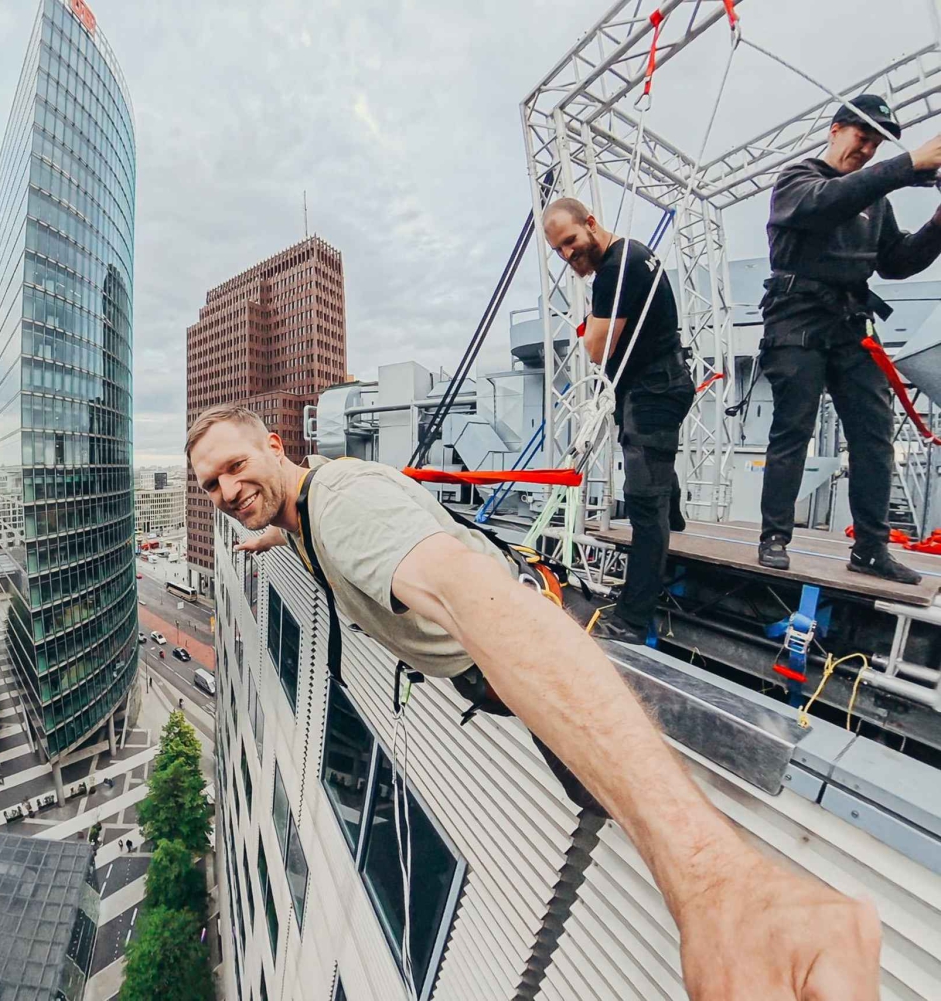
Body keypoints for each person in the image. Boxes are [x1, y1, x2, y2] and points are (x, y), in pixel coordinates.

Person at [187, 404, 880, 1001]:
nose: (225, 489)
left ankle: (739, 891)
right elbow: (306, 519)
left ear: (276, 444)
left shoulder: (342, 510)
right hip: (502, 663)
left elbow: (483, 604)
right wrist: (273, 532)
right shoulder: (307, 509)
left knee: (604, 778)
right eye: (211, 483)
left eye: (235, 466)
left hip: (526, 650)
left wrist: (710, 879)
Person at [758, 94, 941, 581]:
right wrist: (908, 165)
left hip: (849, 322)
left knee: (874, 434)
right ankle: (774, 535)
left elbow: (897, 262)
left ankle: (871, 549)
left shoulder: (874, 200)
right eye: (862, 138)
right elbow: (823, 206)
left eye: (876, 144)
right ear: (835, 130)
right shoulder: (797, 181)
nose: (867, 150)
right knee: (792, 430)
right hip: (796, 319)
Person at [542, 197, 693, 643]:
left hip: (653, 387)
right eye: (559, 252)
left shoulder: (614, 270)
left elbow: (595, 350)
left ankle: (632, 617)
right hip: (659, 382)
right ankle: (676, 517)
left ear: (591, 223)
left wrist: (591, 324)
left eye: (570, 241)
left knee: (643, 503)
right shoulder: (634, 253)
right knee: (656, 471)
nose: (569, 255)